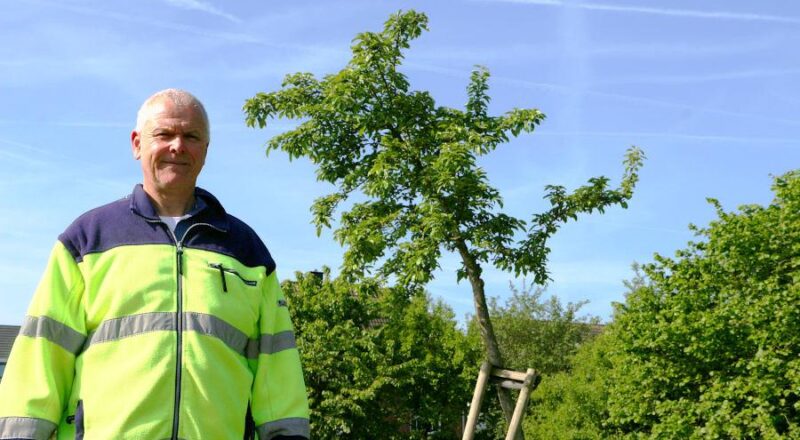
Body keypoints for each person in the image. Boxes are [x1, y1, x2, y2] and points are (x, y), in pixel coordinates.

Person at [0, 89, 310, 439]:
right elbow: (42, 355)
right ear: (137, 144)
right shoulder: (87, 240)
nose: (178, 146)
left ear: (205, 151)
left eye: (191, 136)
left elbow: (277, 368)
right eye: (164, 134)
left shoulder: (247, 250)